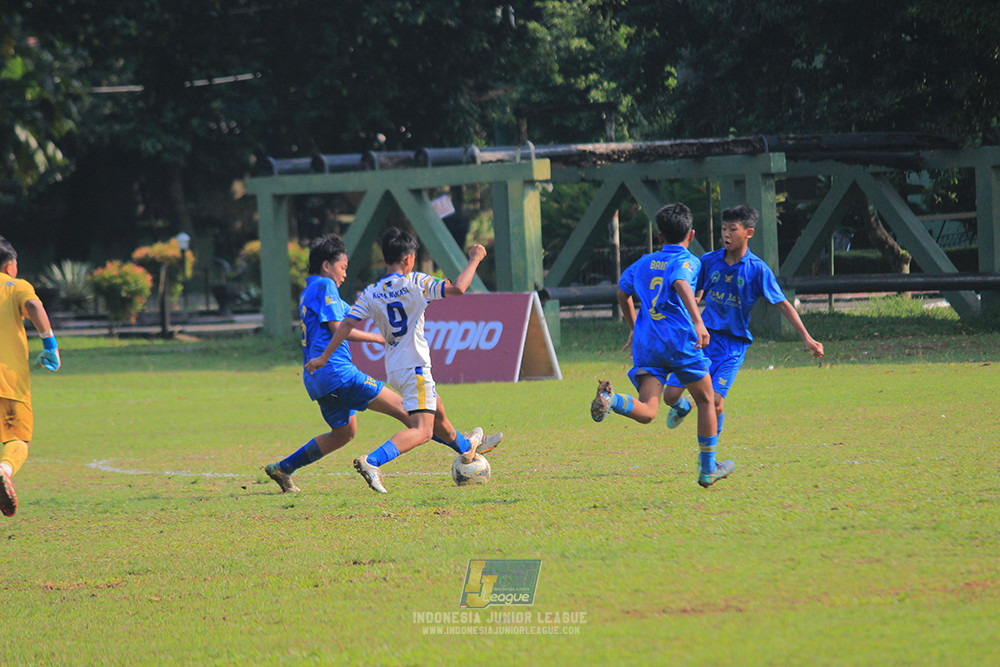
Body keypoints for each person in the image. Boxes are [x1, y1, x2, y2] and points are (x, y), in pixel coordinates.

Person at [265, 234, 499, 493]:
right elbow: (337, 327)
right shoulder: (326, 286)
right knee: (416, 421)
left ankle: (283, 467)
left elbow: (346, 323)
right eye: (342, 267)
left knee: (344, 433)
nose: (344, 273)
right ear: (326, 265)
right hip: (339, 373)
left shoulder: (322, 291)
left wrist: (324, 356)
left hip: (318, 377)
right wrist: (375, 337)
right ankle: (376, 461)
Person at [590, 203, 735, 488]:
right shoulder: (690, 261)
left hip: (649, 343)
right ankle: (708, 469)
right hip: (680, 341)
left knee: (648, 410)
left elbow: (622, 295)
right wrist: (698, 321)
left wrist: (635, 329)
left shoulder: (643, 262)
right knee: (707, 399)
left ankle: (613, 400)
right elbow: (681, 283)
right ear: (690, 234)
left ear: (659, 237)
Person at [662, 204, 824, 436]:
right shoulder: (709, 261)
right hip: (703, 339)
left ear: (749, 233)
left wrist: (807, 338)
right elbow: (694, 296)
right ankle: (684, 406)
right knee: (669, 397)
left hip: (732, 346)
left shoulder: (757, 269)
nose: (726, 234)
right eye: (724, 229)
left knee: (715, 402)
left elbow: (783, 304)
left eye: (733, 229)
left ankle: (710, 460)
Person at [1, 236, 61, 517]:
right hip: (7, 381)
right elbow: (35, 307)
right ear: (10, 264)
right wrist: (50, 345)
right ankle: (4, 471)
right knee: (17, 439)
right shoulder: (16, 286)